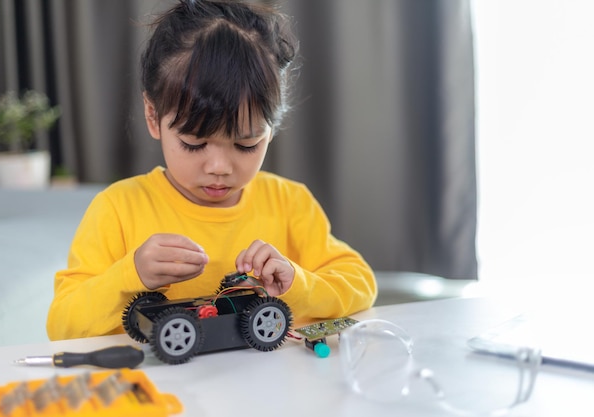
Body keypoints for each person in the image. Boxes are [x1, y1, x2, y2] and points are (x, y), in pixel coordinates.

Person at [46, 0, 377, 341]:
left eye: (246, 145)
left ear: (272, 128)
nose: (219, 167)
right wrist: (130, 275)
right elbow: (62, 324)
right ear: (152, 115)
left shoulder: (290, 203)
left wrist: (297, 281)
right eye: (194, 143)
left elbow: (361, 283)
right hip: (159, 390)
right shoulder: (117, 209)